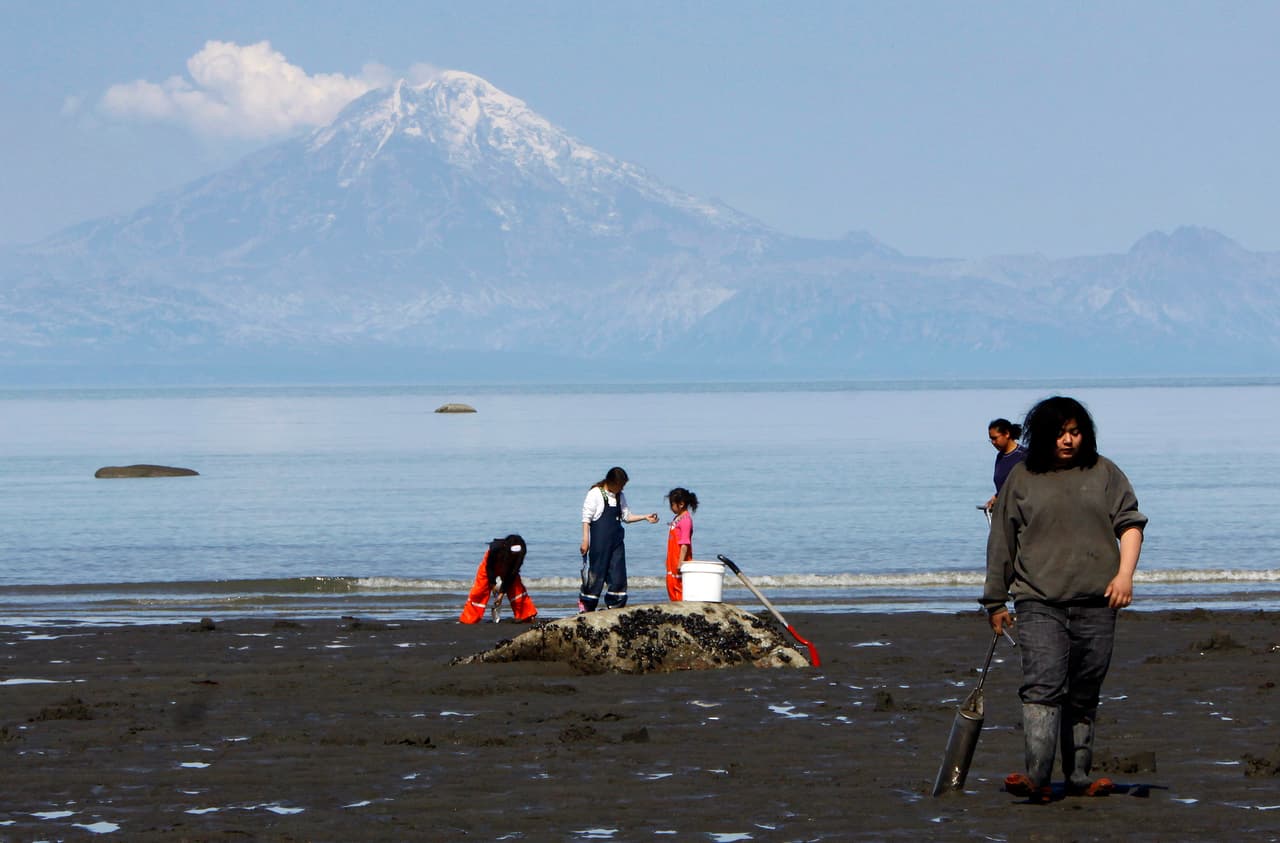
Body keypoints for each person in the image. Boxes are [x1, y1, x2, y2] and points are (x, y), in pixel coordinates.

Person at [982, 396, 1147, 803]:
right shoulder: (1021, 478)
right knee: (1042, 686)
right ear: (1042, 435)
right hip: (1039, 601)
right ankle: (1037, 777)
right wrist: (995, 602)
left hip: (1098, 601)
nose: (1068, 440)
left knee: (1085, 689)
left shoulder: (1105, 473)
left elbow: (1130, 525)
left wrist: (1125, 576)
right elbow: (1000, 543)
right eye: (1059, 433)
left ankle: (1078, 776)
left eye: (1075, 432)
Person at [579, 467, 658, 611]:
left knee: (618, 575)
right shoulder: (595, 494)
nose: (622, 488)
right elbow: (586, 519)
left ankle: (615, 606)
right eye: (621, 485)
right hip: (599, 543)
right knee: (596, 574)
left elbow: (626, 517)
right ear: (612, 482)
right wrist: (585, 540)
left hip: (616, 543)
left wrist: (645, 517)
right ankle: (587, 606)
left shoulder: (619, 496)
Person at [460, 534, 537, 624]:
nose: (514, 554)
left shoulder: (521, 553)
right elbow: (489, 568)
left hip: (509, 567)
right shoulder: (495, 549)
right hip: (491, 566)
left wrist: (501, 594)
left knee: (517, 589)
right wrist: (492, 584)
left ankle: (525, 616)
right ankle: (469, 618)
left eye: (517, 552)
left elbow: (512, 574)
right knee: (479, 591)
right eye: (513, 551)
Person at [984, 418, 1027, 512]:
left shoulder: (1024, 456)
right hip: (1005, 511)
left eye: (995, 438)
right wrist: (996, 497)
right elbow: (1003, 485)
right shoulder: (1000, 457)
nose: (993, 443)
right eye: (991, 439)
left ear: (1007, 434)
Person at [663, 488, 698, 601]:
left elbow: (684, 544)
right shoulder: (677, 518)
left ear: (681, 504)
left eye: (672, 504)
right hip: (672, 559)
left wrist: (680, 563)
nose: (671, 507)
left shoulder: (686, 520)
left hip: (679, 559)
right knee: (671, 584)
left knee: (679, 587)